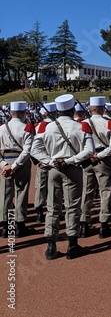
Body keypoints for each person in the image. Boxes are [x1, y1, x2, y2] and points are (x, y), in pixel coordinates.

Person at [31, 94, 94, 260]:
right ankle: (72, 245)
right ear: (73, 109)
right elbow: (89, 150)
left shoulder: (47, 127)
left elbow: (35, 150)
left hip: (54, 169)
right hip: (72, 169)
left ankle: (51, 247)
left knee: (52, 207)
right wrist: (70, 160)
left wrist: (51, 161)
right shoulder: (82, 126)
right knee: (72, 207)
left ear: (57, 111)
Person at [81, 96, 111, 238]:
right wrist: (100, 156)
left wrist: (89, 155)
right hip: (103, 160)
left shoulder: (83, 123)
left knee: (87, 191)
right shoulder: (110, 123)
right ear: (103, 109)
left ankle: (84, 222)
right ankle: (104, 224)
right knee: (106, 192)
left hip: (86, 159)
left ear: (90, 109)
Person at [0, 101, 35, 238]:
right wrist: (15, 166)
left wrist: (4, 165)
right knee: (21, 192)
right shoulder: (26, 128)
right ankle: (20, 225)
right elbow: (27, 151)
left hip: (6, 161)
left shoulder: (2, 128)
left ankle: (6, 227)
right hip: (21, 162)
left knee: (5, 195)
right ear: (23, 113)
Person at [34, 102, 58, 224]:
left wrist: (38, 161)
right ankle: (50, 210)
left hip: (42, 160)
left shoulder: (38, 126)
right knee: (53, 188)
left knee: (40, 186)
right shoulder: (56, 126)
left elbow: (33, 148)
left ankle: (39, 212)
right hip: (53, 160)